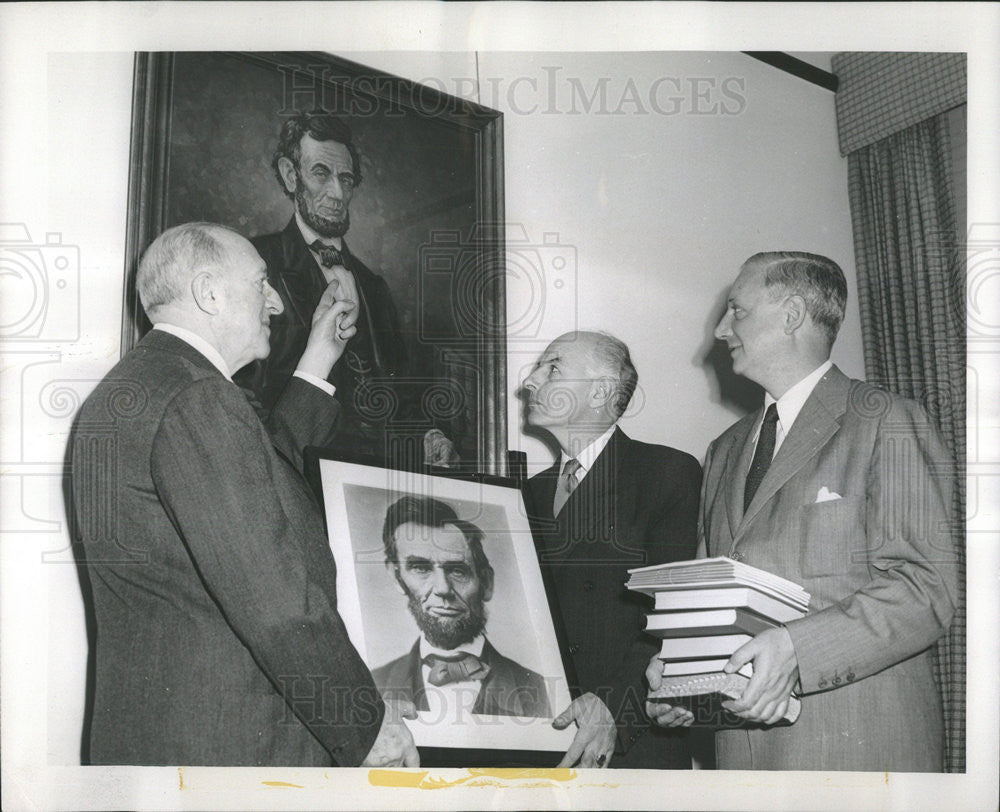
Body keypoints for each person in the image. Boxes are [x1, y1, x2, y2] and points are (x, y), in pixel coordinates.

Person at [71, 222, 418, 767]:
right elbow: (276, 601)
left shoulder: (141, 388)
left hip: (170, 743)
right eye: (262, 282)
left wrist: (317, 360)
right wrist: (366, 726)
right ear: (210, 293)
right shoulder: (200, 398)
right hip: (228, 750)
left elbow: (255, 475)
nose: (277, 302)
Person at [646, 251, 958, 771]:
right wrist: (683, 676)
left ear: (791, 315)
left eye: (737, 311)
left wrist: (798, 649)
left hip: (857, 750)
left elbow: (927, 588)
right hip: (743, 761)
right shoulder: (723, 450)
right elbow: (712, 598)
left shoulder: (888, 422)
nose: (721, 331)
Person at [520, 331, 701, 769]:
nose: (529, 381)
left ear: (600, 391)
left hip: (631, 747)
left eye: (552, 368)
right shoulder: (527, 494)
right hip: (543, 742)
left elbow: (674, 615)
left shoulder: (666, 474)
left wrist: (613, 708)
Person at [235, 112, 455, 465]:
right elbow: (241, 393)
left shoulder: (374, 287)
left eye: (346, 179)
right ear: (292, 176)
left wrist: (426, 436)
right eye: (321, 173)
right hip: (296, 472)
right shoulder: (258, 262)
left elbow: (397, 394)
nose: (337, 193)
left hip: (369, 481)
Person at [372, 496, 551, 718]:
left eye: (458, 570)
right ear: (398, 577)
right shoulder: (370, 687)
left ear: (486, 583)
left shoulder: (545, 695)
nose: (443, 589)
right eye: (420, 568)